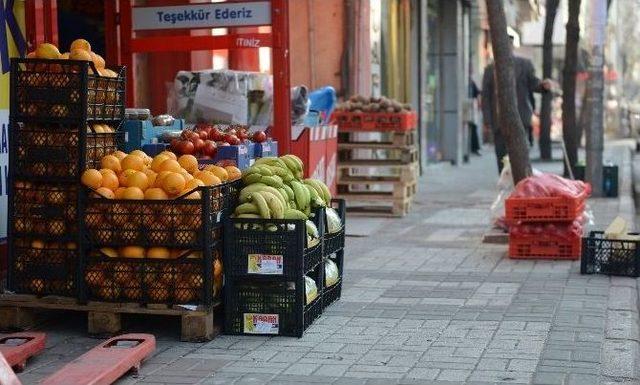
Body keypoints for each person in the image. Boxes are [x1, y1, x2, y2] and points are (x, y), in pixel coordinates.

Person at [481, 38, 552, 174]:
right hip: (499, 119)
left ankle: (521, 180)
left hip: (521, 117)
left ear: (512, 47)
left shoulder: (524, 65)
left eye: (508, 45)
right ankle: (504, 180)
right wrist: (487, 119)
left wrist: (543, 86)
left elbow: (534, 84)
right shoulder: (490, 69)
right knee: (501, 153)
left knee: (520, 152)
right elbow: (486, 97)